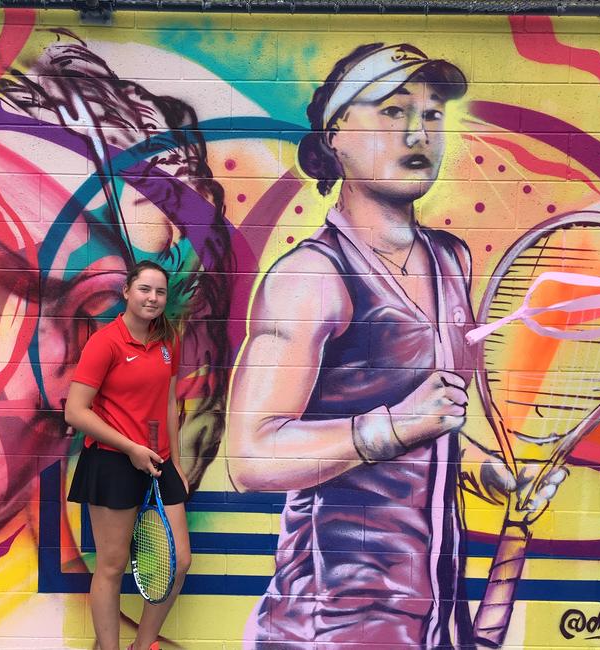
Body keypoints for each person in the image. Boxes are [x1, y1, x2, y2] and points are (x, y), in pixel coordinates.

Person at [226, 43, 564, 649]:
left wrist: (485, 473)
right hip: (332, 628)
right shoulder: (313, 276)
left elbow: (425, 434)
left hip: (435, 624)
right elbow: (251, 455)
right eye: (391, 110)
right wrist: (394, 426)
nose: (418, 131)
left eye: (433, 114)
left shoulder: (450, 259)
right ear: (336, 135)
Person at [65, 260, 192, 650]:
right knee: (111, 565)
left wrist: (177, 464)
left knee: (180, 561)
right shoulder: (106, 342)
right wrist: (130, 448)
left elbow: (169, 402)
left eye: (159, 292)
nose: (152, 298)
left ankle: (143, 645)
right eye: (144, 289)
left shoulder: (168, 339)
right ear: (127, 292)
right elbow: (76, 411)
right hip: (112, 461)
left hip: (158, 462)